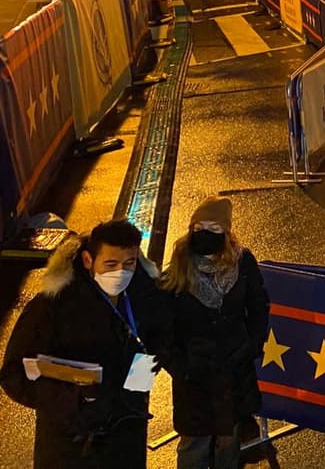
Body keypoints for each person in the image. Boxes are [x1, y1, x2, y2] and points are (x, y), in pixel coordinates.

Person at [1, 219, 172, 469]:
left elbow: (159, 344)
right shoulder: (52, 305)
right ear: (87, 261)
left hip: (125, 440)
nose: (121, 272)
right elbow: (13, 376)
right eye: (111, 264)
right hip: (70, 445)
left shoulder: (145, 296)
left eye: (129, 263)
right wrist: (78, 401)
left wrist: (134, 390)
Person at [161, 196, 269, 469]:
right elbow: (162, 330)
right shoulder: (176, 271)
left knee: (228, 440)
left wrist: (252, 345)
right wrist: (180, 366)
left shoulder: (243, 263)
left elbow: (258, 305)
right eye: (199, 227)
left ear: (227, 232)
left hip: (234, 371)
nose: (205, 233)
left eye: (214, 227)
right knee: (193, 445)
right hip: (193, 377)